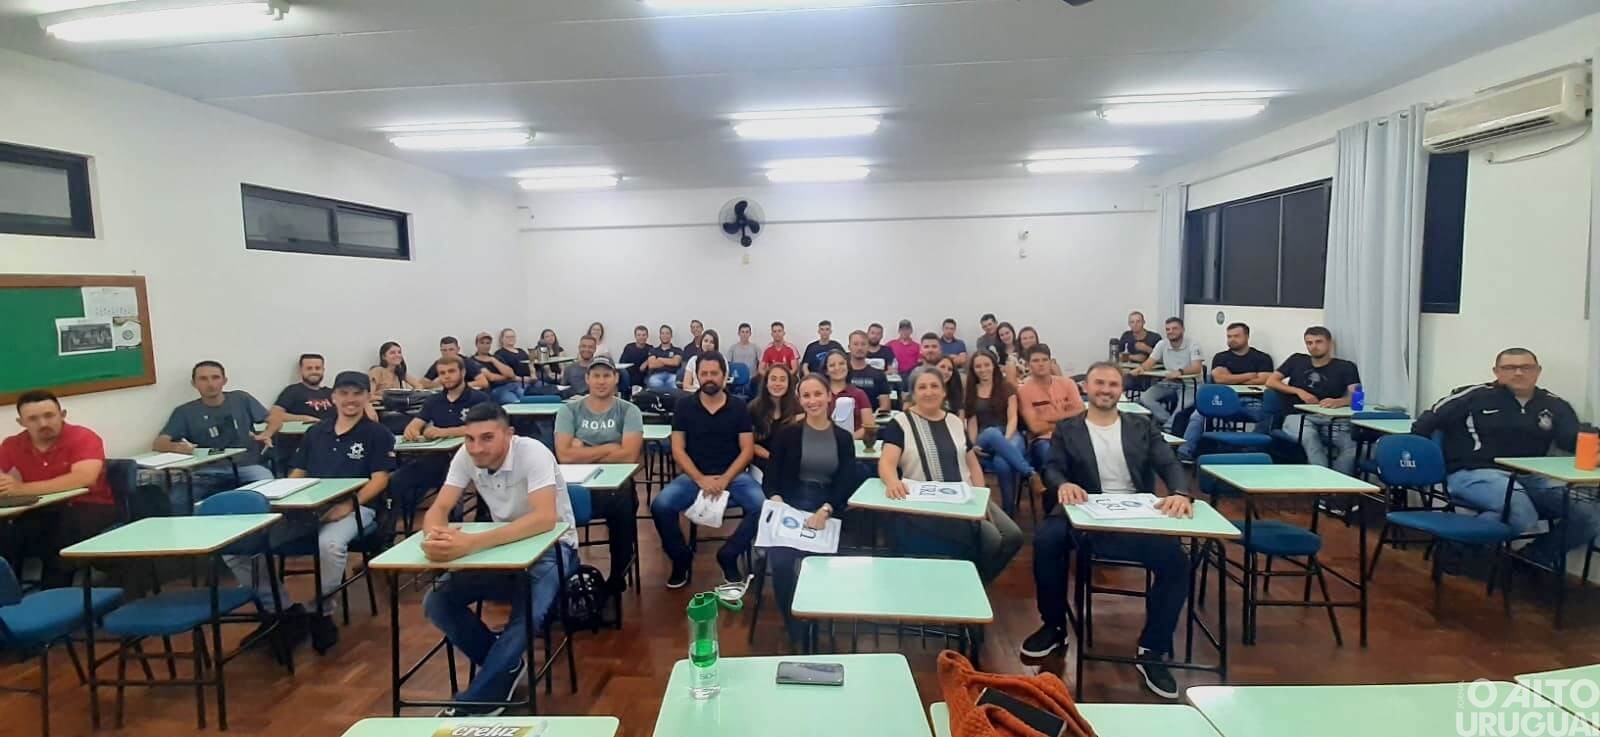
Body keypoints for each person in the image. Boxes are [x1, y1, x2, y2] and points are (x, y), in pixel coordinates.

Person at [1026, 362, 1192, 699]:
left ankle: (1152, 648)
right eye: (1099, 383)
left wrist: (1179, 492)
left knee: (1178, 563)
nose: (1105, 389)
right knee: (1046, 541)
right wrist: (1063, 484)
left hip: (1134, 515)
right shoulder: (1068, 428)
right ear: (1086, 388)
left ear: (1121, 389)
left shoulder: (1142, 425)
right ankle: (1054, 626)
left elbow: (1168, 462)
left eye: (1113, 384)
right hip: (1082, 508)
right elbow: (1052, 467)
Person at [421, 402, 578, 717]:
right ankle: (505, 667)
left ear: (509, 434)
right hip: (502, 549)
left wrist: (470, 543)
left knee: (526, 614)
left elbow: (544, 519)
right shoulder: (466, 456)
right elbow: (439, 508)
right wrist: (434, 537)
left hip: (555, 548)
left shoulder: (532, 453)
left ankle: (473, 702)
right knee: (436, 600)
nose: (476, 448)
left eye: (487, 438)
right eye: (469, 439)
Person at [226, 371, 395, 653]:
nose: (350, 400)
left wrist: (348, 506)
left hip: (357, 507)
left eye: (357, 394)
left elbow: (380, 480)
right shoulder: (316, 432)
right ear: (334, 397)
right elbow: (298, 473)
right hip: (309, 508)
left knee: (330, 544)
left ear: (367, 397)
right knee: (238, 548)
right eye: (344, 393)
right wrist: (282, 500)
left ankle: (321, 611)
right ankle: (282, 610)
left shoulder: (377, 434)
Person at [1412, 348, 1595, 568]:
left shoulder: (1554, 404)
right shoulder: (1473, 396)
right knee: (1519, 509)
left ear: (1538, 371)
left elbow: (1571, 440)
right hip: (1473, 473)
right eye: (1509, 368)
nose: (1518, 373)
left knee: (1589, 514)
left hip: (1530, 478)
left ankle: (1531, 559)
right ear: (1496, 371)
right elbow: (1425, 423)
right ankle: (1457, 548)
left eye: (1526, 367)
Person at [878, 367, 1022, 582]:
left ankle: (977, 582)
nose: (929, 392)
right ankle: (966, 582)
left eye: (934, 386)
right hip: (928, 499)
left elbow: (971, 462)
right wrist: (892, 482)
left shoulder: (955, 422)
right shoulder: (900, 423)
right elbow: (887, 462)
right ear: (913, 394)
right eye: (922, 387)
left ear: (944, 391)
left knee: (1013, 536)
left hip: (965, 494)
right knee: (991, 540)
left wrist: (982, 496)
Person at [650, 352, 764, 587]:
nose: (709, 378)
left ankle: (729, 555)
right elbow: (678, 449)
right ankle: (681, 558)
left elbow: (746, 450)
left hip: (734, 476)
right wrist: (700, 479)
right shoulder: (684, 405)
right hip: (694, 477)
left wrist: (725, 479)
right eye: (704, 373)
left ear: (724, 376)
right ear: (697, 376)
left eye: (714, 373)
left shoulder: (738, 406)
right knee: (660, 506)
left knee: (762, 507)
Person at [762, 373, 857, 647]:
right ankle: (794, 623)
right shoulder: (787, 434)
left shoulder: (843, 438)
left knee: (819, 565)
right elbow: (771, 478)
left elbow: (846, 482)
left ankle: (816, 617)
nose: (812, 400)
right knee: (781, 562)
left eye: (818, 394)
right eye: (806, 395)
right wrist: (778, 502)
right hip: (790, 502)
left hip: (826, 504)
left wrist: (826, 510)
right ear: (799, 399)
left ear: (829, 396)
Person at [0, 390, 115, 589]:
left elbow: (83, 479)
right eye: (33, 419)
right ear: (21, 422)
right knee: (7, 533)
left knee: (57, 532)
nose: (43, 423)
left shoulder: (83, 437)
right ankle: (10, 594)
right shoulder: (13, 444)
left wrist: (20, 489)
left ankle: (54, 595)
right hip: (41, 509)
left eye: (49, 415)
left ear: (62, 415)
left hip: (88, 507)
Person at [553, 356, 643, 593]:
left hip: (615, 488)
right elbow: (564, 456)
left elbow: (629, 456)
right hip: (575, 487)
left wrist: (582, 449)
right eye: (596, 376)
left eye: (606, 376)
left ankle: (618, 573)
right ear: (587, 379)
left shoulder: (629, 411)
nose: (601, 381)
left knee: (623, 498)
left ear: (615, 378)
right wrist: (610, 448)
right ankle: (562, 574)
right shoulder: (569, 410)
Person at [154, 360, 275, 512]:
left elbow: (274, 419)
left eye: (215, 377)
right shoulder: (185, 411)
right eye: (203, 379)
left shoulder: (241, 398)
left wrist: (267, 433)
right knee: (176, 500)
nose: (210, 384)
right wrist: (177, 447)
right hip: (206, 472)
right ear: (194, 383)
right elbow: (159, 443)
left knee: (267, 486)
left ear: (224, 381)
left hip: (246, 466)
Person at [389, 356, 492, 526]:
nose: (446, 376)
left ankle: (459, 523)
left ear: (463, 372)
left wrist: (444, 432)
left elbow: (483, 428)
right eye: (442, 373)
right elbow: (415, 424)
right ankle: (393, 531)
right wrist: (412, 431)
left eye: (451, 371)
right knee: (398, 479)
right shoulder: (433, 400)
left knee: (452, 479)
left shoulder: (479, 398)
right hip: (438, 457)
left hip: (472, 455)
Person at [1267, 326, 1361, 474]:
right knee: (1310, 437)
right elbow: (1271, 381)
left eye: (1318, 342)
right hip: (1297, 416)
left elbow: (1357, 397)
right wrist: (1299, 391)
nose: (1314, 346)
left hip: (1330, 418)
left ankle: (1338, 480)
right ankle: (1322, 478)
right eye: (1309, 343)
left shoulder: (1345, 366)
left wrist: (1340, 401)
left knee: (1354, 446)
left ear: (1329, 343)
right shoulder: (1297, 360)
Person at [1176, 322, 1273, 460]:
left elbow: (1264, 380)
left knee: (1269, 413)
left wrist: (1230, 378)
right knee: (1197, 415)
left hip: (1251, 402)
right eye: (1229, 336)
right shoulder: (1221, 357)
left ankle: (1251, 452)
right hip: (1222, 402)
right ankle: (1184, 453)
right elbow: (1219, 379)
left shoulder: (1262, 358)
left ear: (1247, 337)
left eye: (1236, 336)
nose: (1232, 339)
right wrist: (1249, 376)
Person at [964, 351, 1035, 512]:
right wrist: (972, 445)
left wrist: (1005, 441)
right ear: (973, 369)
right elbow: (972, 423)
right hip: (984, 437)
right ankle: (1030, 473)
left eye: (986, 365)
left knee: (1002, 463)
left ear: (994, 366)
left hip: (1009, 432)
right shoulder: (971, 390)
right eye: (978, 366)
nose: (983, 369)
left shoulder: (1006, 388)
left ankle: (1009, 512)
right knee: (991, 433)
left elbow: (1012, 418)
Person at [1016, 344, 1086, 479]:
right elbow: (1036, 427)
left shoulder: (1068, 383)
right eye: (1036, 361)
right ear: (1028, 365)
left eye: (1044, 360)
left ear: (1050, 362)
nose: (1041, 364)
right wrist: (1066, 419)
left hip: (1073, 436)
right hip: (1043, 440)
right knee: (1050, 455)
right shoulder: (1024, 391)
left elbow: (1081, 412)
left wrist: (1048, 418)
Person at [1133, 317, 1204, 430]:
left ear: (1182, 329)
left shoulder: (1193, 344)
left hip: (1190, 385)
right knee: (1145, 398)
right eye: (1168, 329)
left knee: (1181, 409)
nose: (1171, 331)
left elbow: (1197, 368)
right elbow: (1150, 362)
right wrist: (1140, 368)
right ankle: (1168, 421)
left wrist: (1180, 372)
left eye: (1174, 328)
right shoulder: (1162, 344)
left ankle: (1168, 430)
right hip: (1169, 382)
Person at [749, 363, 801, 473]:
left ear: (789, 384)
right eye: (773, 379)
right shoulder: (753, 408)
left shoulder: (799, 408)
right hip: (761, 465)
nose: (777, 384)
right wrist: (773, 458)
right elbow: (749, 444)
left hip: (790, 465)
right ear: (766, 383)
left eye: (782, 380)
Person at [270, 353, 335, 425]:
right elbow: (274, 414)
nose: (314, 371)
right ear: (301, 370)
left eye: (317, 368)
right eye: (309, 368)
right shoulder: (292, 391)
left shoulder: (332, 393)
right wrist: (305, 419)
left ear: (323, 370)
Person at [823, 350, 874, 438]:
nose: (837, 368)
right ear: (826, 371)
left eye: (841, 364)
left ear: (847, 367)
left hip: (854, 442)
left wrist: (848, 439)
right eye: (832, 365)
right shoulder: (820, 394)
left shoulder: (859, 394)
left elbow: (869, 426)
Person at [845, 330, 891, 413]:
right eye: (855, 344)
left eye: (863, 344)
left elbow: (885, 406)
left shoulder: (879, 375)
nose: (859, 348)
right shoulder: (841, 374)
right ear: (849, 347)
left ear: (868, 347)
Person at [472, 332, 523, 404]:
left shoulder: (497, 357)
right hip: (495, 390)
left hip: (512, 385)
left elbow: (511, 374)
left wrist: (493, 360)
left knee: (528, 401)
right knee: (515, 403)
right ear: (476, 344)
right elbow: (491, 378)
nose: (485, 346)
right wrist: (507, 377)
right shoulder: (473, 361)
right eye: (482, 343)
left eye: (488, 343)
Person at [424, 337, 491, 391]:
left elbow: (484, 382)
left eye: (451, 349)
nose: (448, 353)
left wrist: (457, 385)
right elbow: (423, 383)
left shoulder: (467, 362)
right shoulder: (439, 363)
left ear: (458, 349)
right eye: (444, 350)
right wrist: (436, 384)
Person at [495, 329, 536, 400]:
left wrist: (533, 374)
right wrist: (522, 379)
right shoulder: (499, 354)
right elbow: (505, 374)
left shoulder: (521, 351)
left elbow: (530, 363)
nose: (511, 339)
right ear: (502, 339)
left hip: (531, 380)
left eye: (513, 337)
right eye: (508, 337)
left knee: (547, 389)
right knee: (528, 396)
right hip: (515, 382)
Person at [643, 324, 684, 391]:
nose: (665, 336)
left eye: (667, 333)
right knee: (656, 388)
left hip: (673, 376)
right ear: (660, 336)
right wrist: (669, 361)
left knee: (673, 389)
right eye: (662, 333)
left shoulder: (677, 350)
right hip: (656, 376)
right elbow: (652, 365)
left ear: (671, 336)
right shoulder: (653, 350)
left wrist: (660, 359)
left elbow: (675, 362)